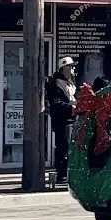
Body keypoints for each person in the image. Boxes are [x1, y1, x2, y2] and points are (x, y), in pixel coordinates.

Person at [45, 57, 78, 185]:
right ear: (63, 68)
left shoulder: (71, 82)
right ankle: (62, 174)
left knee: (72, 148)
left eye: (73, 66)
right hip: (62, 121)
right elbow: (56, 103)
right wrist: (71, 108)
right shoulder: (56, 83)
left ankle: (69, 173)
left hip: (72, 120)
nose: (72, 69)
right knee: (63, 147)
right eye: (70, 66)